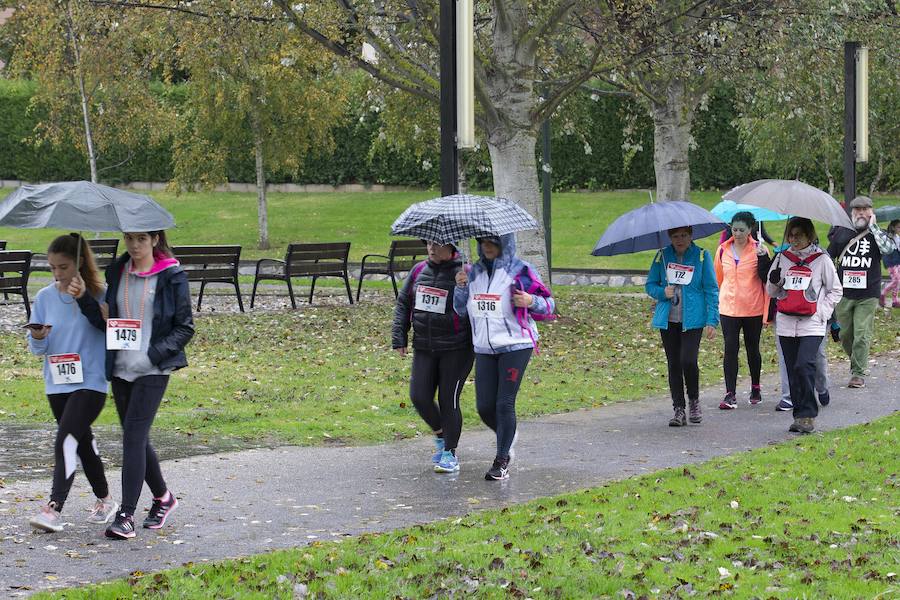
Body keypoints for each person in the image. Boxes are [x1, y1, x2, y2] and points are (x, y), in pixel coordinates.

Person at [76, 230, 194, 539]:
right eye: (129, 238)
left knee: (132, 437)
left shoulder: (172, 274)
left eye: (141, 239)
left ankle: (126, 515)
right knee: (136, 437)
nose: (134, 245)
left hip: (153, 368)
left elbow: (184, 328)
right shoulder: (117, 270)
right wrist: (83, 299)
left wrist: (152, 355)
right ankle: (164, 498)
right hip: (121, 367)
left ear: (155, 239)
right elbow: (108, 323)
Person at [26, 234, 118, 532]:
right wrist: (38, 337)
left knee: (65, 439)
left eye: (62, 267)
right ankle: (105, 500)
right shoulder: (44, 297)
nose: (57, 274)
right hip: (56, 382)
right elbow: (38, 349)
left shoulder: (102, 294)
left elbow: (109, 330)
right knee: (82, 444)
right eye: (52, 267)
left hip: (91, 382)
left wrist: (86, 299)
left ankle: (53, 508)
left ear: (78, 262)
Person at [453, 234, 555, 481]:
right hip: (484, 348)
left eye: (493, 242)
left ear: (504, 244)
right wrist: (460, 287)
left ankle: (501, 461)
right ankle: (507, 435)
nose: (487, 247)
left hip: (515, 345)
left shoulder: (520, 270)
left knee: (504, 403)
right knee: (484, 406)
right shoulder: (472, 272)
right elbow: (459, 310)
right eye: (483, 242)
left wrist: (531, 301)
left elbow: (550, 305)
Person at [392, 241, 474, 473]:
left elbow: (476, 309)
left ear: (450, 247)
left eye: (437, 244)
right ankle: (441, 435)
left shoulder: (466, 272)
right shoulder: (418, 270)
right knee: (419, 396)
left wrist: (464, 288)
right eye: (429, 243)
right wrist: (400, 337)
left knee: (449, 400)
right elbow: (404, 303)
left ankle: (450, 452)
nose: (432, 248)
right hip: (425, 345)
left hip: (457, 347)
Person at [767, 217, 842, 433]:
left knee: (804, 365)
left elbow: (836, 289)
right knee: (792, 371)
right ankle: (798, 415)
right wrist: (774, 280)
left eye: (799, 234)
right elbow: (772, 292)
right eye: (791, 234)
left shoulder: (822, 260)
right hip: (786, 323)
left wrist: (823, 312)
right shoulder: (782, 258)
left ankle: (808, 414)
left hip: (812, 324)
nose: (794, 239)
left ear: (809, 235)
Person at [645, 226, 719, 427]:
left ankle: (694, 400)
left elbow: (712, 289)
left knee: (688, 360)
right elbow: (650, 284)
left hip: (693, 320)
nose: (680, 240)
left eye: (684, 236)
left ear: (691, 236)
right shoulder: (662, 256)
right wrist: (662, 292)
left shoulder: (702, 256)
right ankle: (678, 409)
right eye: (675, 236)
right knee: (674, 364)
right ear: (669, 237)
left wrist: (712, 320)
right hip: (668, 319)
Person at [826, 196, 895, 388]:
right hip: (844, 293)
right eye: (857, 210)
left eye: (865, 210)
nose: (861, 213)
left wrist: (873, 227)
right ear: (851, 213)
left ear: (871, 212)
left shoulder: (877, 234)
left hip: (868, 294)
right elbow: (829, 256)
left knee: (862, 333)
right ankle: (857, 361)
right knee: (846, 335)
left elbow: (889, 249)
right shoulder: (842, 233)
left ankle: (858, 373)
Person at [714, 212, 771, 409]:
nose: (737, 233)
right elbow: (718, 278)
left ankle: (756, 387)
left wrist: (764, 259)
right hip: (728, 308)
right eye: (734, 229)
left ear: (751, 229)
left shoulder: (759, 250)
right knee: (730, 349)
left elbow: (767, 280)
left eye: (742, 230)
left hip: (752, 307)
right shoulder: (723, 250)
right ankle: (730, 393)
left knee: (752, 348)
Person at [880, 219, 900, 308]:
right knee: (896, 280)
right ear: (892, 227)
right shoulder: (888, 236)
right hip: (890, 261)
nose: (899, 229)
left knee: (898, 281)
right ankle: (882, 294)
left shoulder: (897, 237)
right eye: (898, 227)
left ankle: (895, 300)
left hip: (897, 260)